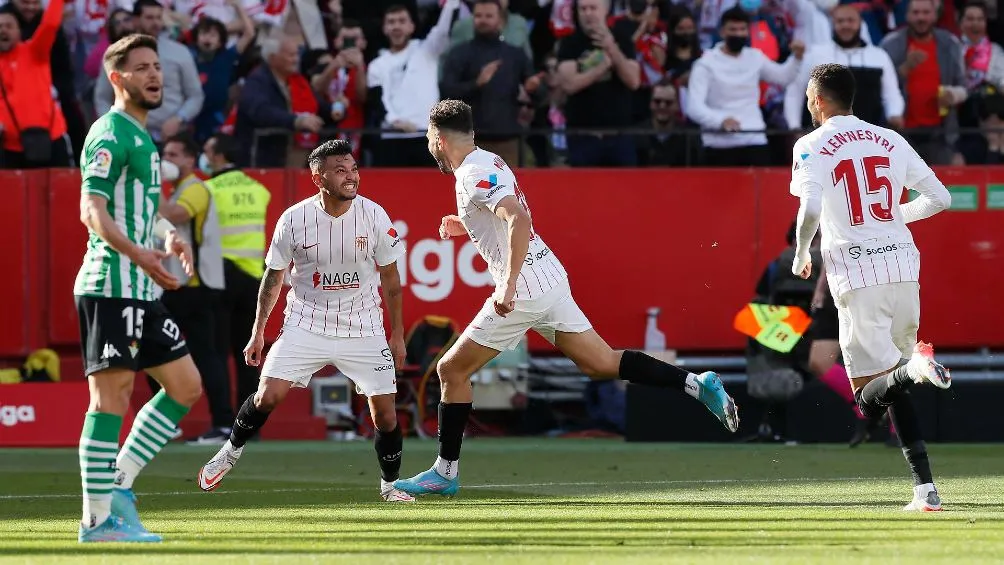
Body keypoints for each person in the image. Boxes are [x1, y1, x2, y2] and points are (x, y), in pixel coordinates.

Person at [392, 99, 740, 497]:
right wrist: (466, 224)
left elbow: (517, 218)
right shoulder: (488, 159)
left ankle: (445, 473)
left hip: (524, 288)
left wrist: (507, 285)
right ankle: (698, 384)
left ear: (437, 138)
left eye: (427, 137)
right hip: (548, 275)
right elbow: (507, 212)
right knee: (602, 363)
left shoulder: (470, 174)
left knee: (451, 372)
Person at [196, 140, 414, 503]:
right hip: (306, 321)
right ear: (318, 177)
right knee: (267, 396)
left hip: (363, 324)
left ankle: (390, 487)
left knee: (387, 417)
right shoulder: (293, 219)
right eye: (341, 171)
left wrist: (398, 335)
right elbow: (273, 278)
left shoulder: (374, 215)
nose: (351, 177)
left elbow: (391, 280)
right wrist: (258, 332)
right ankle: (229, 451)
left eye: (354, 169)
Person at [790, 63, 953, 511]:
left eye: (808, 94)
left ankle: (914, 369)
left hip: (858, 274)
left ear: (819, 99)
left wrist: (803, 253)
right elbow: (941, 198)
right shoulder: (890, 139)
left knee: (866, 396)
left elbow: (808, 209)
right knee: (894, 383)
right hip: (904, 267)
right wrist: (893, 218)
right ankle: (926, 491)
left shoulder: (811, 144)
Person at [75, 33, 202, 542]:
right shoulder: (108, 134)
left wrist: (167, 234)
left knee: (187, 387)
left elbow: (139, 213)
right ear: (116, 78)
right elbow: (93, 211)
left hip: (141, 289)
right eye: (142, 67)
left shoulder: (144, 139)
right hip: (110, 284)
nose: (155, 74)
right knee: (111, 400)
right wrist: (141, 256)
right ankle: (97, 520)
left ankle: (120, 482)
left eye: (157, 66)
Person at [157, 134, 231, 445]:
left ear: (190, 159)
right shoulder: (178, 189)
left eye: (173, 154)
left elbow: (176, 216)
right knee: (158, 349)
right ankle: (166, 420)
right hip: (179, 285)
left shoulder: (196, 188)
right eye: (165, 154)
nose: (167, 160)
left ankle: (224, 424)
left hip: (196, 286)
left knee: (205, 355)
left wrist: (152, 185)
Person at [203, 133, 272, 432]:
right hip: (254, 278)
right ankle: (248, 425)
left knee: (216, 353)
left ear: (218, 155)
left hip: (220, 275)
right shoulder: (258, 190)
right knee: (248, 353)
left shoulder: (207, 190)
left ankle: (221, 421)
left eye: (207, 150)